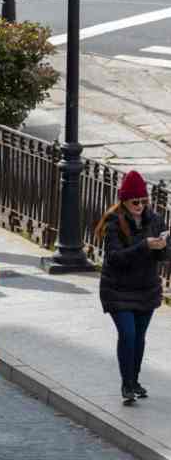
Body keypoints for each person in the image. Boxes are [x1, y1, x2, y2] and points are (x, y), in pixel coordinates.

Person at [95, 170, 168, 404]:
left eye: (144, 201)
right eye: (135, 201)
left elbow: (163, 257)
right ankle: (127, 384)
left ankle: (134, 380)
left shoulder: (155, 220)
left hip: (146, 288)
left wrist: (163, 246)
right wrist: (145, 246)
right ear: (124, 201)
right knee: (127, 334)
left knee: (139, 337)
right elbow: (115, 258)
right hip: (117, 289)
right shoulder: (114, 222)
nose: (140, 205)